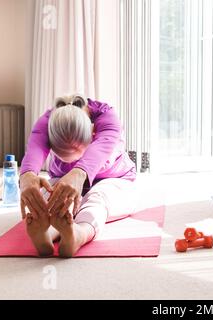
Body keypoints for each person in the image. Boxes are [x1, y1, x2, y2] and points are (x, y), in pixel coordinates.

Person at [19, 94, 136, 257]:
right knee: (49, 194)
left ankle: (79, 233)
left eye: (79, 155)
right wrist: (27, 177)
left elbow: (99, 151)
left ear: (93, 132)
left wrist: (78, 173)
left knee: (98, 198)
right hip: (64, 180)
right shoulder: (48, 122)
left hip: (114, 180)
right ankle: (47, 233)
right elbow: (35, 150)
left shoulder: (107, 118)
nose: (72, 162)